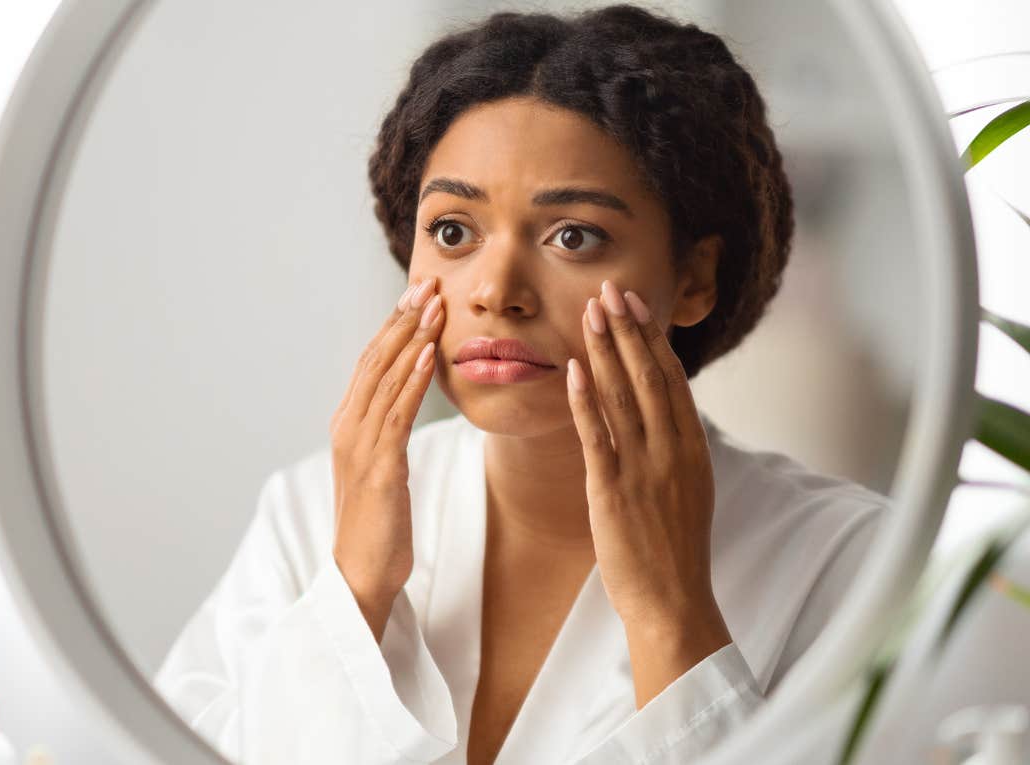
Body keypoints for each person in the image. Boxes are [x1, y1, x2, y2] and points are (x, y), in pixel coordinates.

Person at [153, 6, 887, 764]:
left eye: (574, 235)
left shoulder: (849, 562)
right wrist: (356, 591)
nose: (495, 290)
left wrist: (673, 618)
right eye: (452, 232)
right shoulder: (304, 519)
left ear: (694, 278)